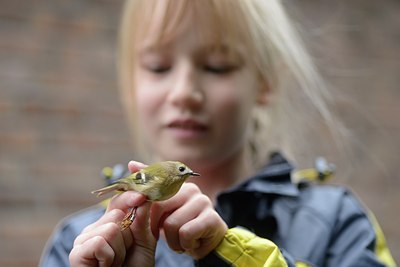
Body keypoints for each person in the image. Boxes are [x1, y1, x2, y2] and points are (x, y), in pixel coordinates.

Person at [40, 0, 397, 266]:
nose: (183, 92)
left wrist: (233, 254)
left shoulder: (336, 221)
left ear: (265, 81)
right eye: (158, 66)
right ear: (130, 84)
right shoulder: (78, 243)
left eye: (217, 66)